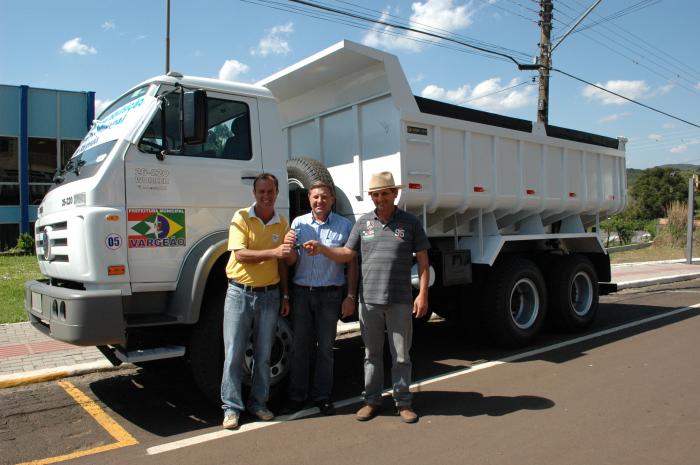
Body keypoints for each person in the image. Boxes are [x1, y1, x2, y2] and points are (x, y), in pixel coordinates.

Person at [303, 171, 430, 424]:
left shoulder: (410, 223)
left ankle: (403, 402)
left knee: (401, 355)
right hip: (368, 300)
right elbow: (347, 254)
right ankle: (372, 400)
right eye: (376, 194)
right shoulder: (363, 223)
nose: (380, 198)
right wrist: (323, 249)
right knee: (371, 354)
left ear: (395, 194)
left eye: (385, 193)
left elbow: (424, 262)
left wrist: (423, 294)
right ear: (371, 197)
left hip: (400, 300)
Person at [221, 173, 294, 430]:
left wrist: (285, 293)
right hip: (240, 294)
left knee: (263, 355)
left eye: (270, 191)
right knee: (234, 354)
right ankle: (231, 408)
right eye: (261, 192)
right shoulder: (241, 217)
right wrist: (275, 252)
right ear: (254, 194)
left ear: (277, 193)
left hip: (270, 296)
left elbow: (285, 262)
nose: (266, 196)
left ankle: (259, 403)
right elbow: (240, 254)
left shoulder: (281, 223)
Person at [282, 181, 358, 416]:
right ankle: (297, 396)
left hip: (330, 295)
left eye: (324, 197)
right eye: (315, 197)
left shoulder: (345, 226)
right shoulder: (298, 224)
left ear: (332, 199)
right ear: (309, 199)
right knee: (299, 348)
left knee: (326, 348)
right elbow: (290, 262)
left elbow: (351, 262)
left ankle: (322, 396)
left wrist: (351, 296)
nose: (320, 201)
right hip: (302, 293)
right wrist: (289, 250)